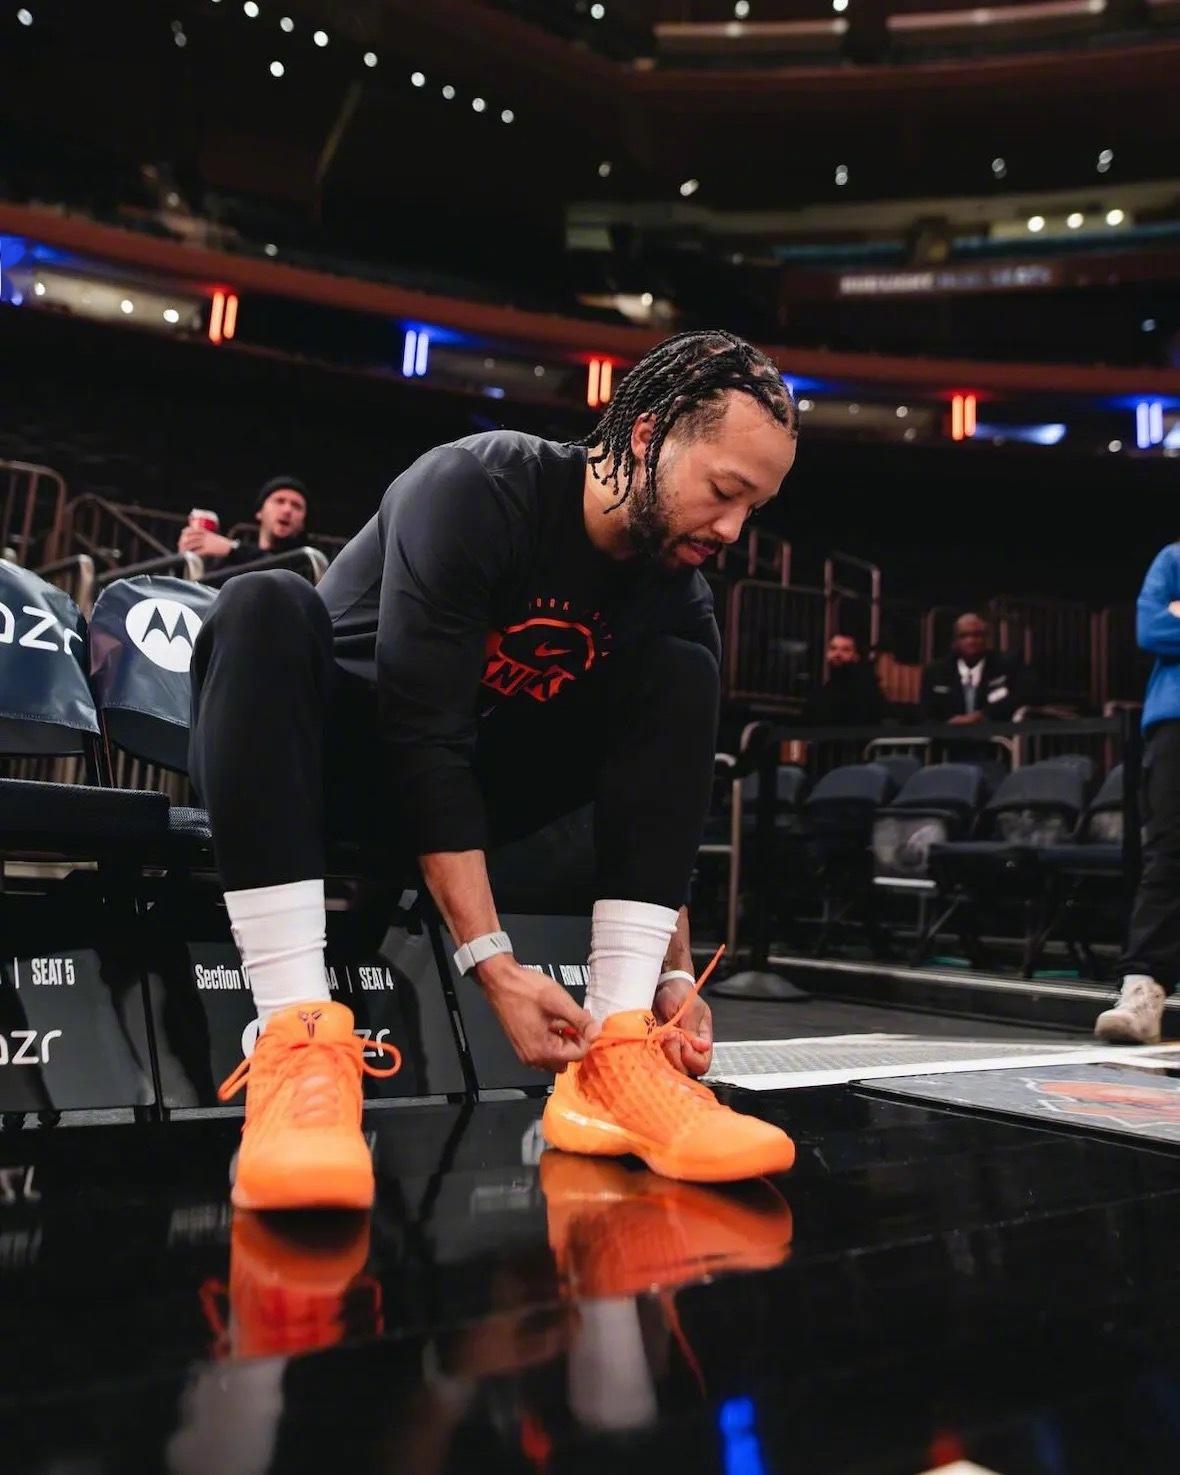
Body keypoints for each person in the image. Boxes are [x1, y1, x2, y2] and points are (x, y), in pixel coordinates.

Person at [189, 330, 800, 1211]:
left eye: (755, 508)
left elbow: (659, 801)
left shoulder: (677, 598)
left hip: (473, 800)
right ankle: (296, 1042)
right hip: (323, 780)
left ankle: (616, 1057)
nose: (734, 529)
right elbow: (422, 738)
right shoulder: (479, 487)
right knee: (262, 600)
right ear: (648, 437)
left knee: (682, 665)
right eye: (724, 491)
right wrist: (492, 962)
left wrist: (671, 975)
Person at [1095, 544, 1180, 1044]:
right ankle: (1142, 989)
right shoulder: (1175, 558)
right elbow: (1152, 630)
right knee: (1170, 850)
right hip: (1176, 721)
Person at [178, 476, 310, 570]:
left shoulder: (308, 562)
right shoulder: (232, 561)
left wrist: (232, 549)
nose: (287, 510)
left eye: (296, 506)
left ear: (303, 521)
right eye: (279, 501)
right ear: (260, 512)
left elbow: (280, 574)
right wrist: (184, 561)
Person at [919, 612, 1028, 725]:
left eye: (977, 635)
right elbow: (926, 715)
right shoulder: (935, 672)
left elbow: (1023, 697)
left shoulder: (1008, 665)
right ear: (955, 641)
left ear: (987, 638)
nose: (971, 641)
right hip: (947, 734)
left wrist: (983, 715)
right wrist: (950, 724)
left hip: (997, 733)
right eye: (963, 636)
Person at [803, 633, 886, 726]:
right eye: (833, 648)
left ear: (856, 656)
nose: (837, 654)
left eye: (845, 650)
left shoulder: (865, 690)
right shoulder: (825, 688)